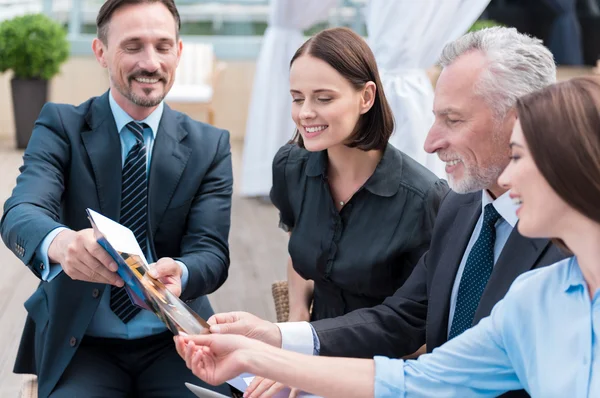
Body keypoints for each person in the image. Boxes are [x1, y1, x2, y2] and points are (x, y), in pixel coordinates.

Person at [191, 27, 566, 398]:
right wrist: (274, 338)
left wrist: (281, 363)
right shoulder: (462, 207)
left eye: (453, 120)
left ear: (520, 121)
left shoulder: (569, 243)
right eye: (297, 98)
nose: (429, 143)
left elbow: (434, 369)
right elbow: (400, 319)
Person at [0, 0, 232, 396]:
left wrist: (182, 272)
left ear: (178, 51)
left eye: (162, 46)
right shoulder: (61, 125)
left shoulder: (210, 144)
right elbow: (21, 211)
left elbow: (211, 250)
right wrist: (64, 243)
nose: (150, 62)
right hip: (81, 344)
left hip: (176, 343)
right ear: (101, 52)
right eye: (133, 46)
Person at [270, 27, 447, 323]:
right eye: (298, 98)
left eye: (324, 98)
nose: (304, 113)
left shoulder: (423, 199)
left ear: (366, 97)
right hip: (310, 347)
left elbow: (427, 320)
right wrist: (297, 318)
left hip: (385, 360)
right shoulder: (291, 168)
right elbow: (298, 248)